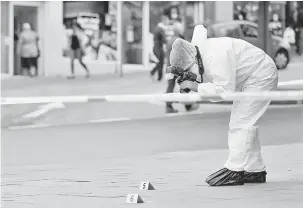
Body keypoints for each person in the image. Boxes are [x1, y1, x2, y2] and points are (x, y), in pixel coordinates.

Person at [169, 25, 278, 186]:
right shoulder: (198, 53)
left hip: (260, 76)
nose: (191, 76)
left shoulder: (215, 56)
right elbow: (213, 80)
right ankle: (255, 169)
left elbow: (224, 91)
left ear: (192, 61)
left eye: (189, 72)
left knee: (241, 123)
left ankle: (235, 169)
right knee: (247, 123)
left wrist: (196, 86)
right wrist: (194, 83)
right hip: (250, 77)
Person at [165, 22, 198, 113]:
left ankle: (169, 106)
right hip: (178, 67)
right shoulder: (178, 41)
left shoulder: (170, 40)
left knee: (171, 86)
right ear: (179, 30)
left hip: (169, 67)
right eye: (181, 29)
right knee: (185, 84)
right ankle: (187, 105)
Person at [150, 13, 170, 81]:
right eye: (167, 21)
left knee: (160, 62)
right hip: (158, 47)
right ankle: (157, 75)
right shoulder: (161, 29)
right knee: (160, 62)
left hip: (156, 47)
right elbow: (164, 40)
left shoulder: (158, 28)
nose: (168, 22)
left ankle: (157, 76)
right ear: (164, 21)